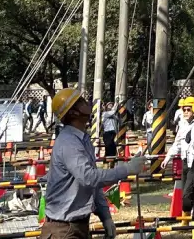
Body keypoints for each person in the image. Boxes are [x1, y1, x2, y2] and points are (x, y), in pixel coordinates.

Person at [41, 89, 145, 239]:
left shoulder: (82, 139)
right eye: (81, 102)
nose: (87, 103)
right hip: (63, 229)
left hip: (77, 226)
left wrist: (105, 216)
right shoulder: (68, 142)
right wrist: (127, 169)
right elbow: (89, 178)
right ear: (74, 113)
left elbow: (93, 185)